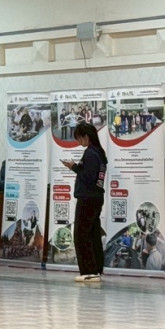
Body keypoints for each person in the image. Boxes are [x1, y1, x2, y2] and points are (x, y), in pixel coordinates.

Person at [63, 121, 107, 283]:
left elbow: (88, 177)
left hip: (87, 198)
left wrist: (74, 167)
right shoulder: (99, 153)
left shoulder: (90, 154)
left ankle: (88, 271)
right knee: (93, 235)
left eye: (79, 138)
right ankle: (96, 270)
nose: (78, 142)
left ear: (86, 137)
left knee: (81, 235)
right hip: (96, 198)